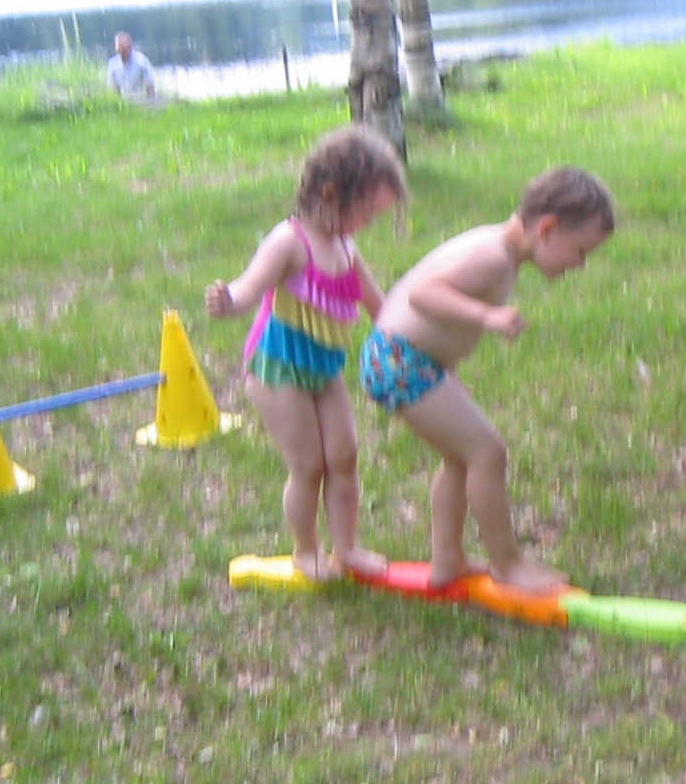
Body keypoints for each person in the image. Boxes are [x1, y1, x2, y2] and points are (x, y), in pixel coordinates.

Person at [361, 167, 615, 592]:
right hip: (400, 362)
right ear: (547, 229)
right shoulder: (492, 256)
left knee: (461, 458)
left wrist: (445, 370)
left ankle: (448, 561)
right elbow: (423, 295)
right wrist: (487, 316)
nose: (580, 264)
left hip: (410, 361)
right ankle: (507, 563)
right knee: (486, 452)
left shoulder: (499, 251)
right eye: (580, 251)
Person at [205, 125, 408, 582]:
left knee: (344, 454)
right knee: (309, 464)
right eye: (365, 212)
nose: (367, 224)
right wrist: (228, 301)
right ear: (331, 193)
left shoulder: (346, 247)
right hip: (277, 368)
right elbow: (248, 287)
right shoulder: (289, 241)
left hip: (323, 366)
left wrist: (413, 336)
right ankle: (305, 550)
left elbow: (379, 305)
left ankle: (347, 548)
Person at [106, 32, 157, 100]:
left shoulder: (141, 61)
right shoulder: (112, 64)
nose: (122, 54)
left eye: (124, 50)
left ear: (130, 47)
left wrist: (151, 101)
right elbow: (113, 91)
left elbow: (150, 86)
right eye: (119, 50)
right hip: (124, 102)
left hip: (142, 101)